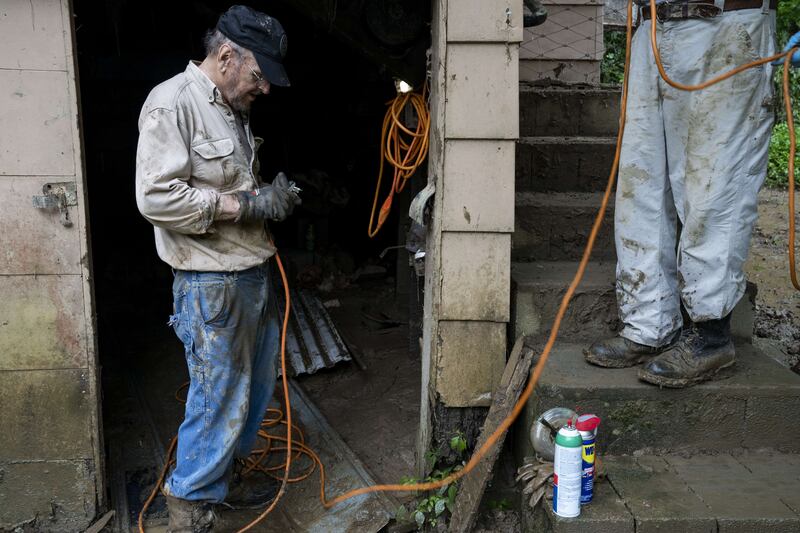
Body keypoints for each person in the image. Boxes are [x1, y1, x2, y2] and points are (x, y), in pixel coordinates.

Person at [135, 5, 299, 530]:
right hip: (212, 282)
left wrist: (264, 195)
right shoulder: (172, 103)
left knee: (252, 387)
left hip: (250, 272)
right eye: (259, 75)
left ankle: (224, 477)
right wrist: (245, 207)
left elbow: (224, 181)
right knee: (217, 394)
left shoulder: (232, 106)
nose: (265, 88)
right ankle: (189, 506)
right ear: (227, 55)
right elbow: (156, 198)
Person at [584, 0, 782, 388]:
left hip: (728, 28)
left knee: (714, 186)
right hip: (653, 27)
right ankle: (648, 324)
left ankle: (710, 336)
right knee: (641, 184)